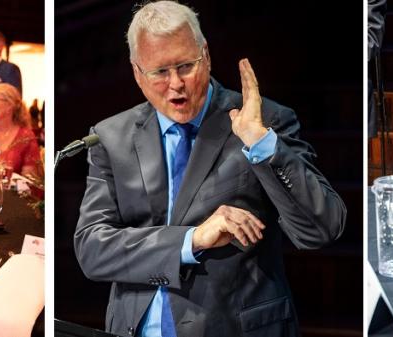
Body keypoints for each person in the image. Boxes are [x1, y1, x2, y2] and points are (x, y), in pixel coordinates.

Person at [73, 2, 346, 336]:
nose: (176, 84)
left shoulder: (264, 122)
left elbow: (322, 229)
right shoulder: (110, 137)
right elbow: (92, 248)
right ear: (137, 73)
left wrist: (261, 144)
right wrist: (192, 239)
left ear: (206, 54)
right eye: (160, 72)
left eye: (186, 66)